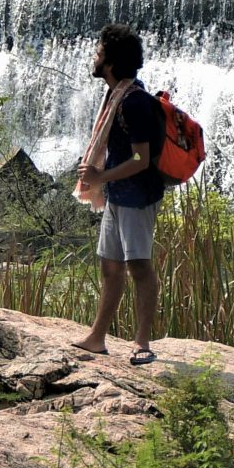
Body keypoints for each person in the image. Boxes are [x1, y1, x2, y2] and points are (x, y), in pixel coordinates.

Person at [71, 24, 165, 365]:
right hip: (116, 194)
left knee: (139, 267)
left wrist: (100, 176)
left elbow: (141, 160)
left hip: (138, 196)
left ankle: (143, 343)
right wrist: (105, 182)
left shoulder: (135, 103)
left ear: (110, 62)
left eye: (99, 53)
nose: (95, 58)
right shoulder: (116, 96)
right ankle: (97, 337)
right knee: (110, 267)